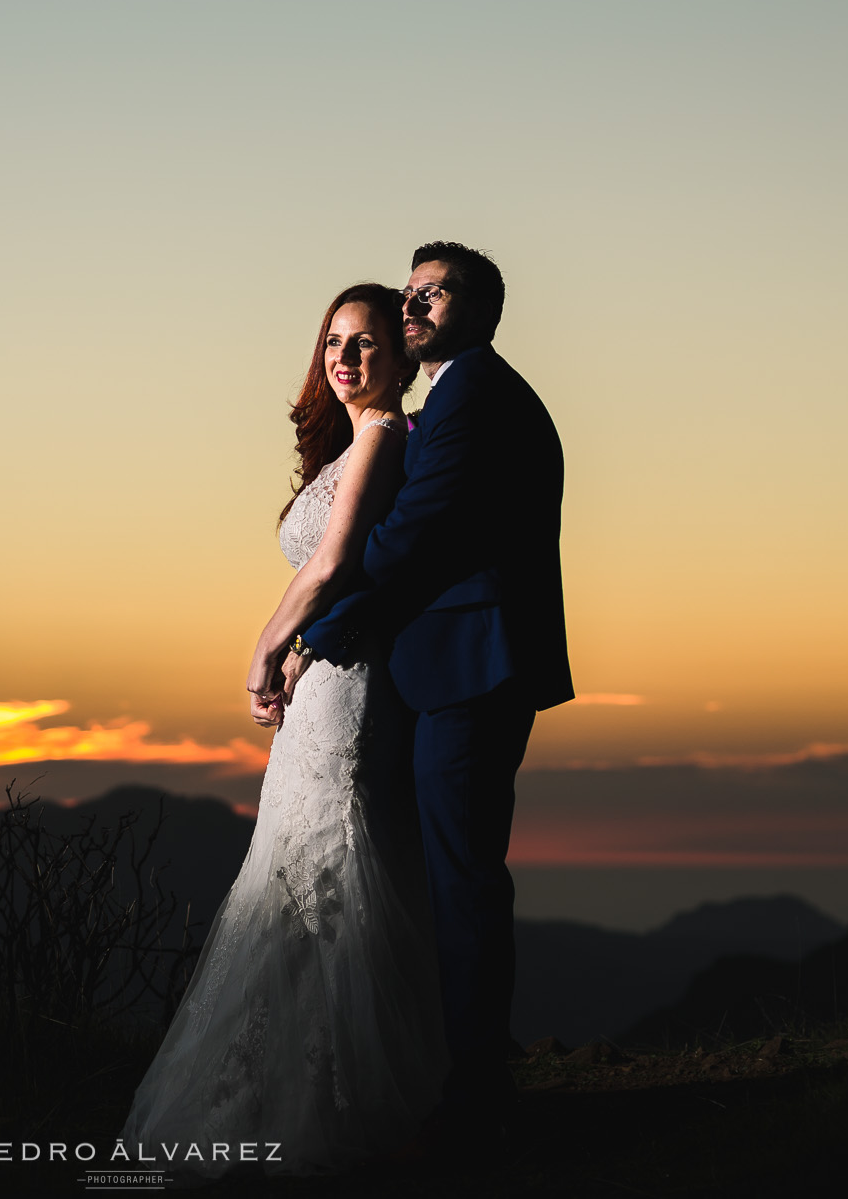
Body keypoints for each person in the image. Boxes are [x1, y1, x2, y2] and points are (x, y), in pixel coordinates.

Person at [118, 284, 447, 1177]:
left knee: (329, 866)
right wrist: (302, 647)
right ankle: (297, 1087)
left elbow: (339, 562)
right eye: (335, 341)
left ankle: (341, 1104)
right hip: (327, 676)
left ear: (402, 354)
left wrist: (265, 646)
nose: (347, 358)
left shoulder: (386, 437)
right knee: (297, 866)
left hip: (350, 694)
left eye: (369, 342)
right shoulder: (354, 443)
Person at [294, 242, 573, 1140]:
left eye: (433, 294)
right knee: (445, 872)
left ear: (481, 310)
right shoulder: (452, 399)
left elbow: (414, 537)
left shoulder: (473, 400)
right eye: (409, 291)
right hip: (447, 665)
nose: (413, 306)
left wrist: (318, 633)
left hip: (471, 667)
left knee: (463, 878)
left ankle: (477, 1089)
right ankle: (454, 1066)